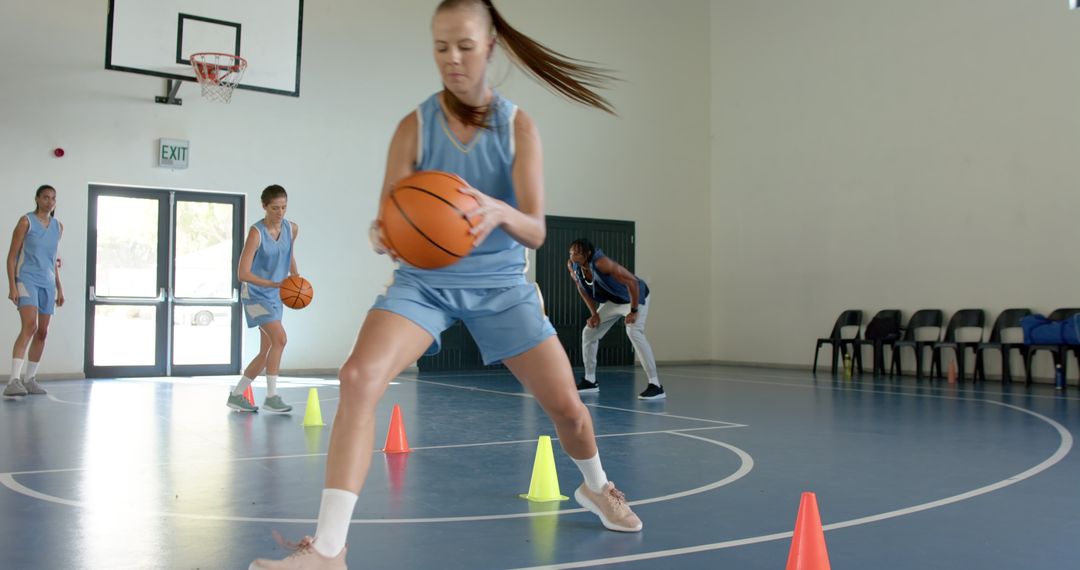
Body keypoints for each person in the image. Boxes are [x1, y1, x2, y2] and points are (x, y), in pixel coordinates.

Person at [249, 1, 640, 567]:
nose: (451, 58)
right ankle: (328, 551)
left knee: (570, 412)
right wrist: (383, 232)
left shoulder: (517, 127)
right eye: (440, 47)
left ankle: (597, 486)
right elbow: (388, 214)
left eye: (463, 45)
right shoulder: (414, 125)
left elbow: (535, 230)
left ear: (489, 49)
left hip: (502, 287)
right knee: (358, 377)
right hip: (424, 284)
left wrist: (495, 209)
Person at [227, 184, 298, 414]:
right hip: (255, 296)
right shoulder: (256, 233)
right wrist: (273, 283)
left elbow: (289, 254)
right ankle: (271, 396)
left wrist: (295, 277)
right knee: (281, 339)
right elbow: (242, 273)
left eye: (284, 207)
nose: (280, 212)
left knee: (266, 350)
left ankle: (237, 395)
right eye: (275, 208)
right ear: (264, 207)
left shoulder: (292, 228)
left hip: (275, 295)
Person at [568, 238, 665, 400]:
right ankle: (590, 381)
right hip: (614, 300)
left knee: (634, 332)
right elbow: (581, 288)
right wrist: (594, 314)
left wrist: (633, 311)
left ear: (588, 254)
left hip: (635, 296)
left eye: (578, 253)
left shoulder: (602, 263)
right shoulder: (573, 265)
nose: (573, 255)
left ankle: (656, 385)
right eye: (571, 252)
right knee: (589, 332)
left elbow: (632, 282)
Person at [4, 185, 63, 399]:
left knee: (43, 332)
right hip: (27, 279)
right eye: (46, 197)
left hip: (47, 283)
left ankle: (30, 380)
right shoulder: (25, 222)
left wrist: (59, 287)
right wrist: (12, 286)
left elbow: (53, 261)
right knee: (30, 326)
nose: (49, 201)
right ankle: (13, 381)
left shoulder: (58, 227)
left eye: (53, 198)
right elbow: (11, 257)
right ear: (37, 199)